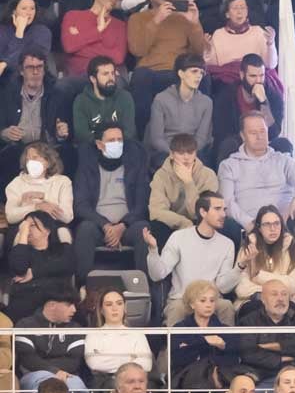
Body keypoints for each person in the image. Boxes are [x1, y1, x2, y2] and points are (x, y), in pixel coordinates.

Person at [143, 192, 240, 325]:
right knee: (177, 309)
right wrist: (153, 250)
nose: (223, 214)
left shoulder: (227, 244)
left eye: (224, 209)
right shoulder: (179, 237)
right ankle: (172, 340)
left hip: (211, 301)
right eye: (217, 209)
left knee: (226, 306)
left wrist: (240, 266)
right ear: (203, 212)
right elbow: (157, 275)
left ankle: (226, 340)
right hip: (182, 299)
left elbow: (223, 287)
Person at [126, 0, 205, 133]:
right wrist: (156, 20)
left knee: (203, 76)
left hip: (179, 71)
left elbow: (199, 52)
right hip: (150, 71)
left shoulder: (183, 17)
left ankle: (198, 138)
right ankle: (143, 135)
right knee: (140, 77)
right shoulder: (137, 18)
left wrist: (195, 24)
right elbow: (137, 50)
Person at [72, 123, 151, 283]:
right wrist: (105, 225)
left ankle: (145, 286)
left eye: (120, 140)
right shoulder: (87, 168)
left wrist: (122, 225)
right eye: (111, 140)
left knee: (143, 230)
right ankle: (82, 286)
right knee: (85, 230)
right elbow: (80, 205)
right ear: (99, 144)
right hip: (98, 226)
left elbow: (142, 204)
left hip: (128, 226)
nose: (117, 143)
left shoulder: (135, 166)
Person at [218, 112, 295, 236]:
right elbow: (227, 203)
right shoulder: (229, 165)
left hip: (286, 225)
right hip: (249, 227)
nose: (260, 137)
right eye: (253, 133)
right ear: (243, 136)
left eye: (263, 131)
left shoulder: (282, 160)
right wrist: (250, 224)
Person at [14, 289, 87, 393]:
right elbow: (28, 359)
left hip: (68, 376)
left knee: (78, 387)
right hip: (32, 376)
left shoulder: (76, 328)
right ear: (52, 305)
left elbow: (73, 361)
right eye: (69, 305)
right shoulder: (25, 325)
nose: (74, 310)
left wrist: (53, 370)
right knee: (46, 386)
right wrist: (54, 371)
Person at [236, 279, 295, 386]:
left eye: (284, 294)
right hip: (263, 375)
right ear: (263, 299)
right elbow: (248, 353)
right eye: (274, 294)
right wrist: (282, 358)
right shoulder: (249, 321)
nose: (280, 299)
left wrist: (275, 346)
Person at [148, 132, 217, 248]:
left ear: (196, 153)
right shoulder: (161, 175)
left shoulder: (208, 175)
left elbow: (202, 213)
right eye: (181, 153)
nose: (186, 157)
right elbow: (156, 212)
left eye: (190, 152)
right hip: (172, 223)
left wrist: (188, 182)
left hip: (198, 222)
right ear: (171, 154)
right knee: (157, 226)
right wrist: (183, 222)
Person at [145, 54, 212, 167]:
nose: (199, 76)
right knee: (162, 163)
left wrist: (188, 155)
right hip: (167, 151)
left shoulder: (206, 102)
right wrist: (175, 155)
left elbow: (201, 138)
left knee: (203, 164)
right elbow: (157, 138)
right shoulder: (161, 99)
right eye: (194, 71)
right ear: (181, 73)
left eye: (201, 73)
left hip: (193, 151)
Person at [84, 290, 152, 390]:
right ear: (101, 310)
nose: (115, 308)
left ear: (124, 307)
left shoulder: (137, 334)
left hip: (135, 379)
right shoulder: (93, 335)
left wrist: (110, 359)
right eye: (109, 304)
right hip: (105, 382)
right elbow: (94, 363)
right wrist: (130, 358)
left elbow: (146, 364)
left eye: (119, 303)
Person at [71, 56, 135, 144]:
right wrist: (103, 144)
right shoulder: (81, 101)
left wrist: (114, 143)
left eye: (112, 73)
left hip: (121, 144)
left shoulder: (125, 97)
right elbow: (82, 135)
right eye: (105, 74)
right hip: (94, 146)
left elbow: (129, 131)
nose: (111, 78)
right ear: (93, 79)